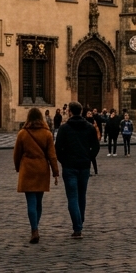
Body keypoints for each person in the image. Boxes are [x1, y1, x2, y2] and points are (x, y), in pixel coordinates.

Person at [14, 107, 60, 244]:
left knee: (31, 202)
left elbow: (17, 153)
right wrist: (55, 172)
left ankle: (34, 229)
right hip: (41, 168)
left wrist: (18, 167)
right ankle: (36, 227)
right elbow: (52, 155)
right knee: (38, 201)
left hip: (27, 169)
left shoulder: (22, 133)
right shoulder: (47, 134)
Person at [54, 102, 99, 238]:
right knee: (81, 195)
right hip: (84, 166)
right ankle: (80, 221)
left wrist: (64, 161)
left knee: (73, 197)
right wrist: (89, 158)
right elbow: (96, 147)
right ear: (81, 112)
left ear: (70, 112)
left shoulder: (64, 128)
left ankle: (77, 227)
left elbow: (58, 149)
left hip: (70, 167)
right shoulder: (89, 127)